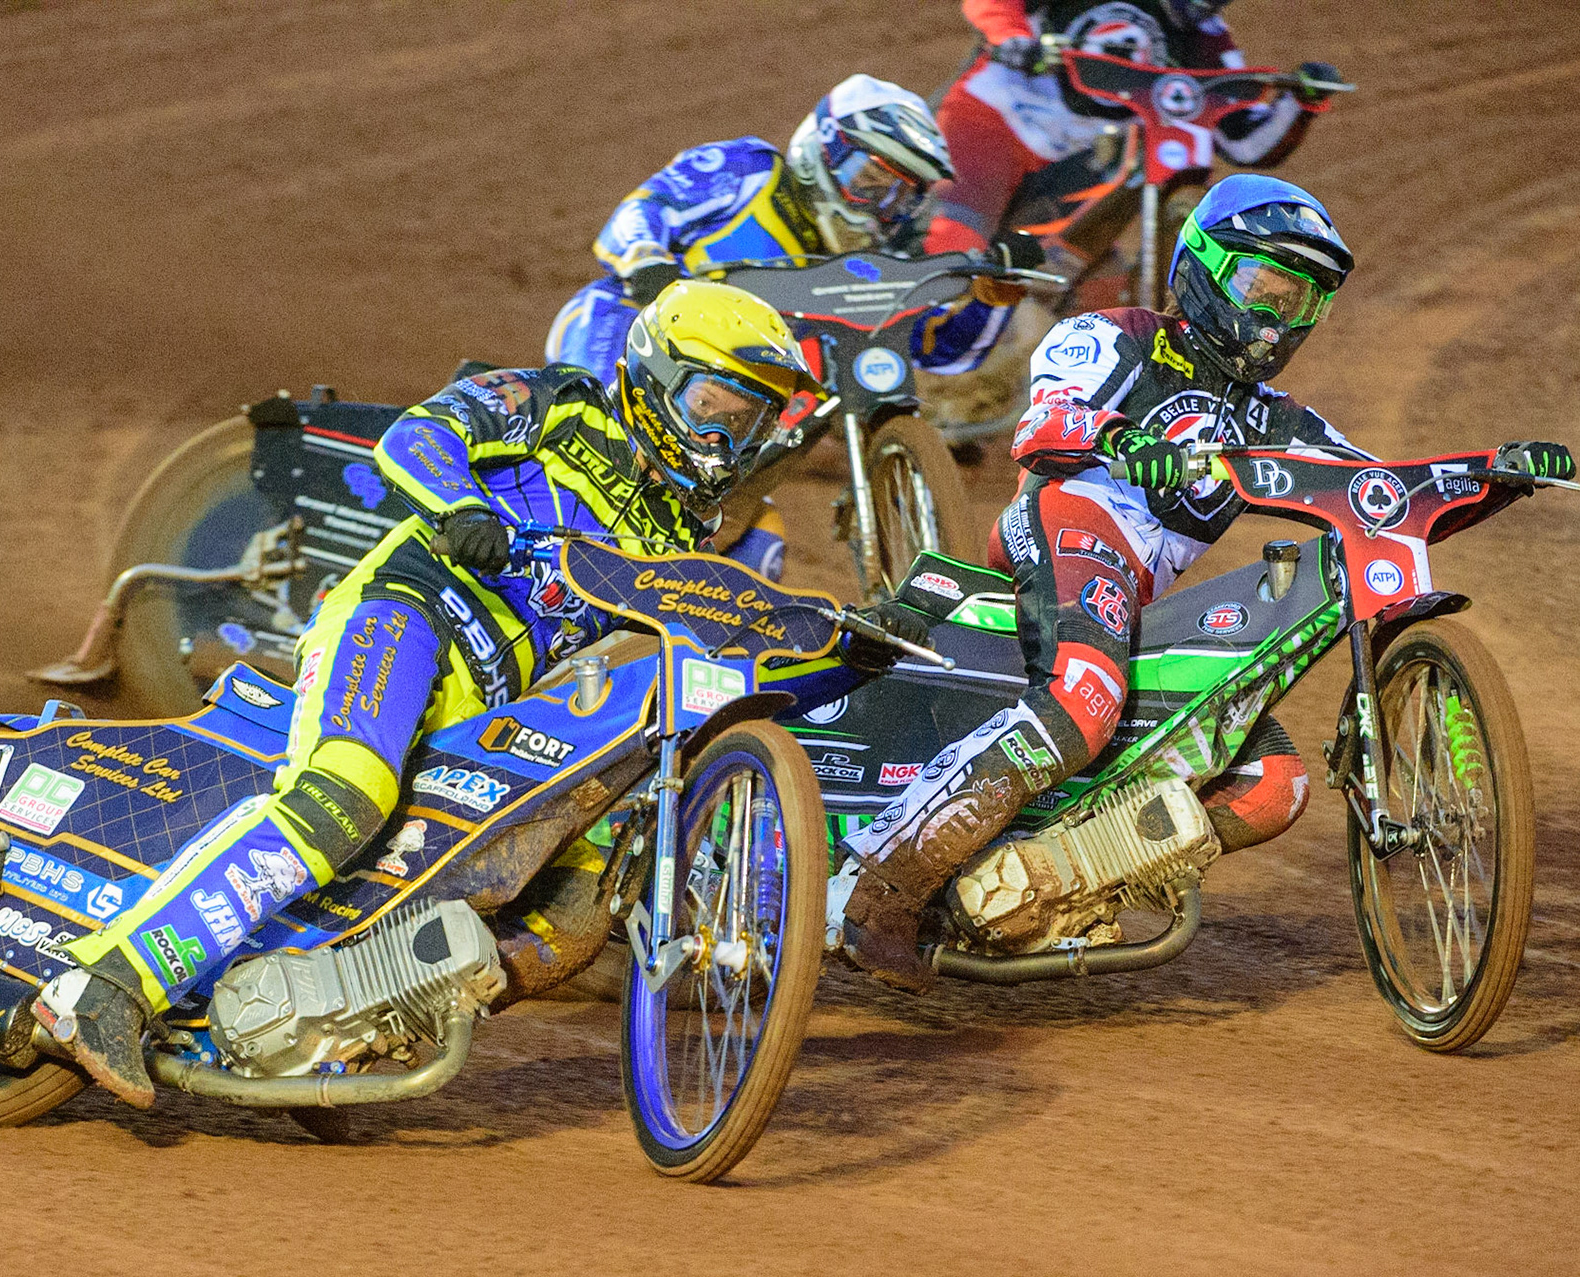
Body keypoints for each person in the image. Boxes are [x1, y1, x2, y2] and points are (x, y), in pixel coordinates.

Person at [33, 280, 929, 1104]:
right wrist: (463, 504)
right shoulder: (564, 403)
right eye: (712, 407)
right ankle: (104, 984)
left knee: (575, 917)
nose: (722, 440)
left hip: (495, 707)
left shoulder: (683, 529)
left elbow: (730, 629)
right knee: (345, 796)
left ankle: (340, 1011)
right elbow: (416, 436)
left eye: (745, 424)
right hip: (408, 614)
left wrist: (861, 641)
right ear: (658, 374)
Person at [840, 174, 1575, 991]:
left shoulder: (1276, 417)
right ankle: (883, 888)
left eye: (1301, 302)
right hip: (1067, 526)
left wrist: (1493, 475)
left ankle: (1054, 878)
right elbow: (1043, 422)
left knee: (1274, 783)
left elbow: (1380, 497)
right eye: (1264, 288)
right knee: (1084, 696)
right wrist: (1121, 439)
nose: (1278, 317)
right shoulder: (1114, 337)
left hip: (1136, 596)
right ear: (1205, 268)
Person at [546, 75, 1029, 579]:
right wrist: (649, 265)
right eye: (870, 181)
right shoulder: (750, 172)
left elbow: (944, 351)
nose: (880, 209)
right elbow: (643, 210)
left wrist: (994, 298)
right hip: (632, 324)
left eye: (899, 196)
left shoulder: (872, 263)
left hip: (726, 408)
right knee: (605, 436)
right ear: (823, 150)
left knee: (759, 551)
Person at [923, 0, 1342, 255]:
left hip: (1085, 161)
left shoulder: (1205, 39)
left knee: (1079, 278)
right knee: (959, 234)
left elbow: (1245, 144)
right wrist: (1011, 36)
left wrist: (1301, 103)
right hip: (992, 121)